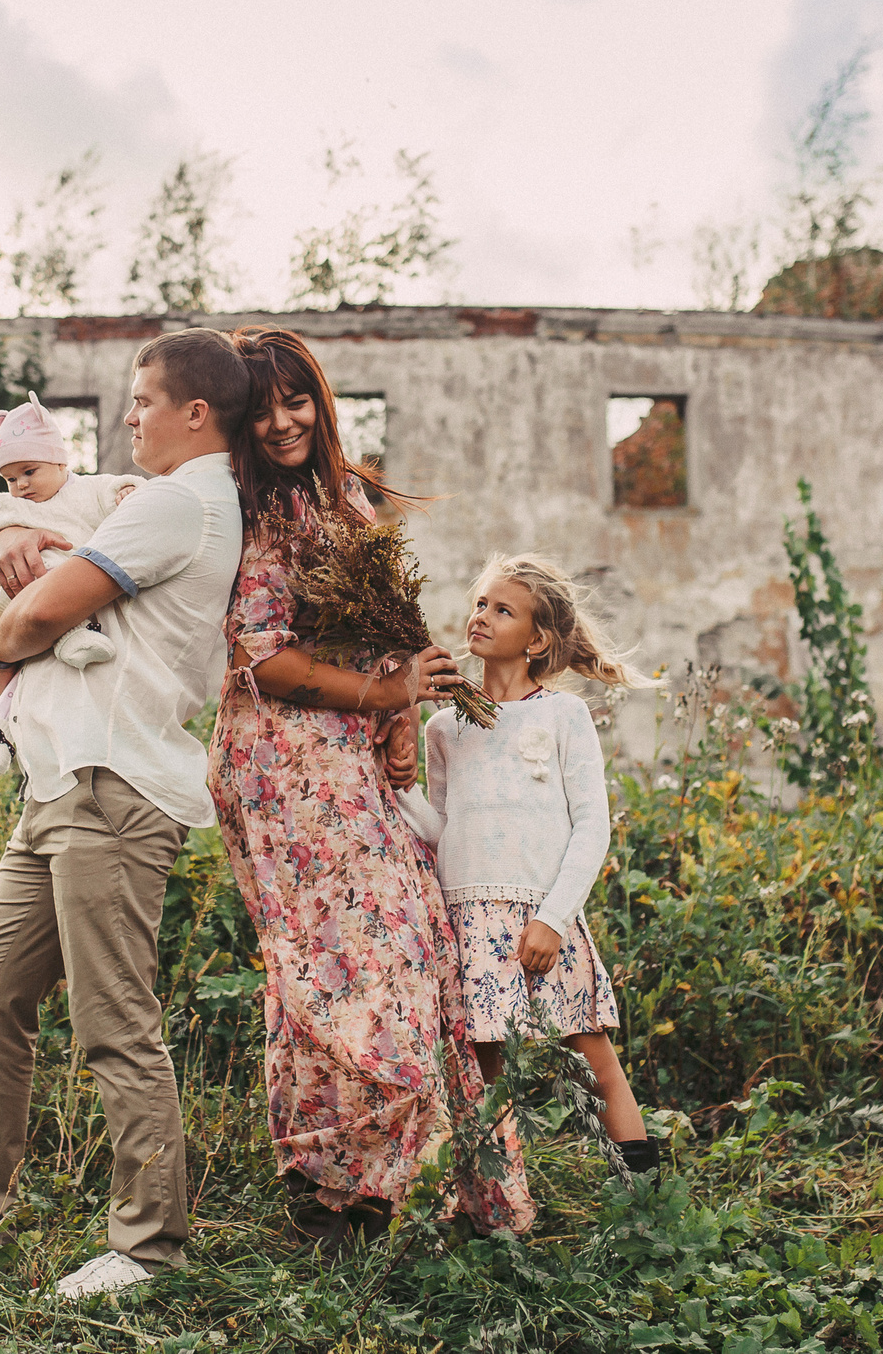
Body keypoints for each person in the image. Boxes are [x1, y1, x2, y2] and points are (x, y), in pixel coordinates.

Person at [0, 328, 250, 1302]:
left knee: (114, 1019)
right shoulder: (165, 501)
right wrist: (20, 548)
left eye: (143, 400)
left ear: (196, 413)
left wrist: (14, 611)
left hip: (112, 784)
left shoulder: (181, 501)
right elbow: (35, 582)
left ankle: (149, 1246)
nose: (129, 417)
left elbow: (33, 617)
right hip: (62, 779)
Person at [205, 326, 533, 1251]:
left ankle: (402, 1179)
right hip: (280, 764)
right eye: (261, 408)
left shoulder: (345, 497)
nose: (282, 421)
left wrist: (401, 705)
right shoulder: (243, 511)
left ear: (322, 400)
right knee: (332, 962)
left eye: (297, 399)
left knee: (408, 944)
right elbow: (264, 659)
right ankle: (331, 1190)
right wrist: (381, 694)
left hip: (349, 756)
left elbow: (384, 627)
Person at [393, 554, 660, 1175]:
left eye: (502, 610)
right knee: (485, 1073)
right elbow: (443, 831)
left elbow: (592, 827)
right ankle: (500, 1203)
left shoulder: (563, 716)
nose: (481, 616)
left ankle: (645, 1201)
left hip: (541, 919)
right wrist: (402, 789)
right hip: (469, 921)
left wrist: (553, 919)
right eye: (480, 604)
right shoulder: (444, 726)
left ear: (537, 640)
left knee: (594, 1062)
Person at [0, 391, 140, 774]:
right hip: (23, 600)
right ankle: (0, 728)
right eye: (10, 478)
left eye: (29, 471)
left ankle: (4, 729)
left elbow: (117, 489)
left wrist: (128, 492)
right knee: (23, 674)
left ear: (60, 461)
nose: (20, 485)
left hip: (76, 595)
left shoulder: (87, 490)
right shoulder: (10, 508)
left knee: (33, 675)